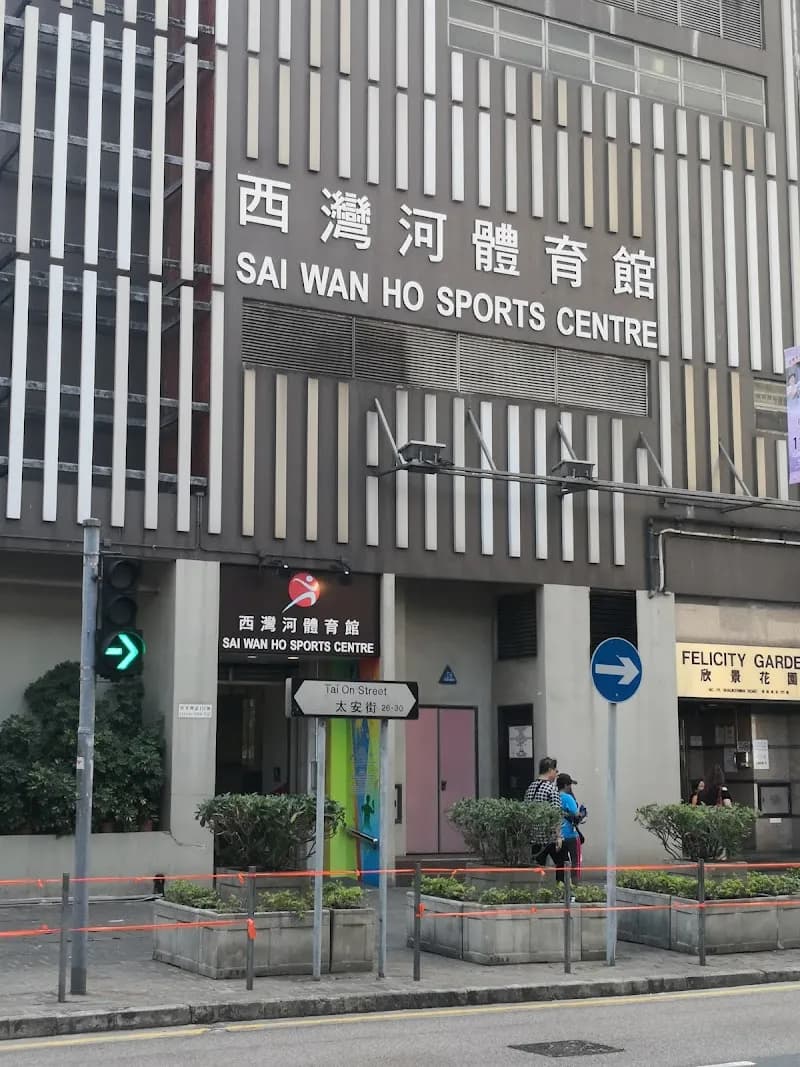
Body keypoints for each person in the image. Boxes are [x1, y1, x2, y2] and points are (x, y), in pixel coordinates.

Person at [525, 756, 562, 870]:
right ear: (550, 770)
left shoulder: (531, 786)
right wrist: (558, 836)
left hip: (534, 837)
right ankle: (562, 887)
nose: (556, 775)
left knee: (538, 869)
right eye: (556, 771)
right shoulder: (551, 788)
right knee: (563, 866)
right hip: (549, 837)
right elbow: (556, 814)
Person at [556, 773, 586, 884]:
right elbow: (576, 814)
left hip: (559, 835)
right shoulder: (568, 798)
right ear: (565, 785)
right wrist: (583, 813)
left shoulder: (554, 796)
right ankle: (575, 886)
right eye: (569, 784)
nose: (570, 787)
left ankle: (561, 887)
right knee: (575, 862)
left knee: (561, 863)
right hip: (571, 835)